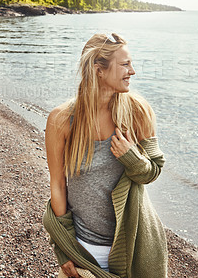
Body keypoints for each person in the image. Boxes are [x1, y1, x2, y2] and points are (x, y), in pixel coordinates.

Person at [43, 33, 168, 278]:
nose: (132, 71)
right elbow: (57, 185)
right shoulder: (61, 120)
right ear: (99, 69)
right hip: (84, 249)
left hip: (136, 246)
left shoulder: (138, 112)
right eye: (125, 64)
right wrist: (63, 246)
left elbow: (153, 170)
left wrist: (132, 157)